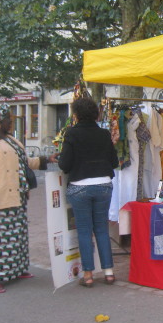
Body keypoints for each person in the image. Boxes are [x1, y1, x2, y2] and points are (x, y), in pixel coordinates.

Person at [0, 104, 57, 294]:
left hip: (18, 196)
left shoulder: (11, 140)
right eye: (6, 120)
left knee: (17, 236)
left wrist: (46, 159)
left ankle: (17, 269)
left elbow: (26, 162)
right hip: (0, 196)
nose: (9, 122)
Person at [58, 96, 119, 287]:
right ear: (95, 113)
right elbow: (114, 162)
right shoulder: (103, 134)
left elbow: (65, 164)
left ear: (76, 114)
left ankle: (88, 275)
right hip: (103, 184)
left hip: (80, 186)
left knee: (84, 231)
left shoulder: (72, 134)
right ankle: (109, 272)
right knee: (101, 228)